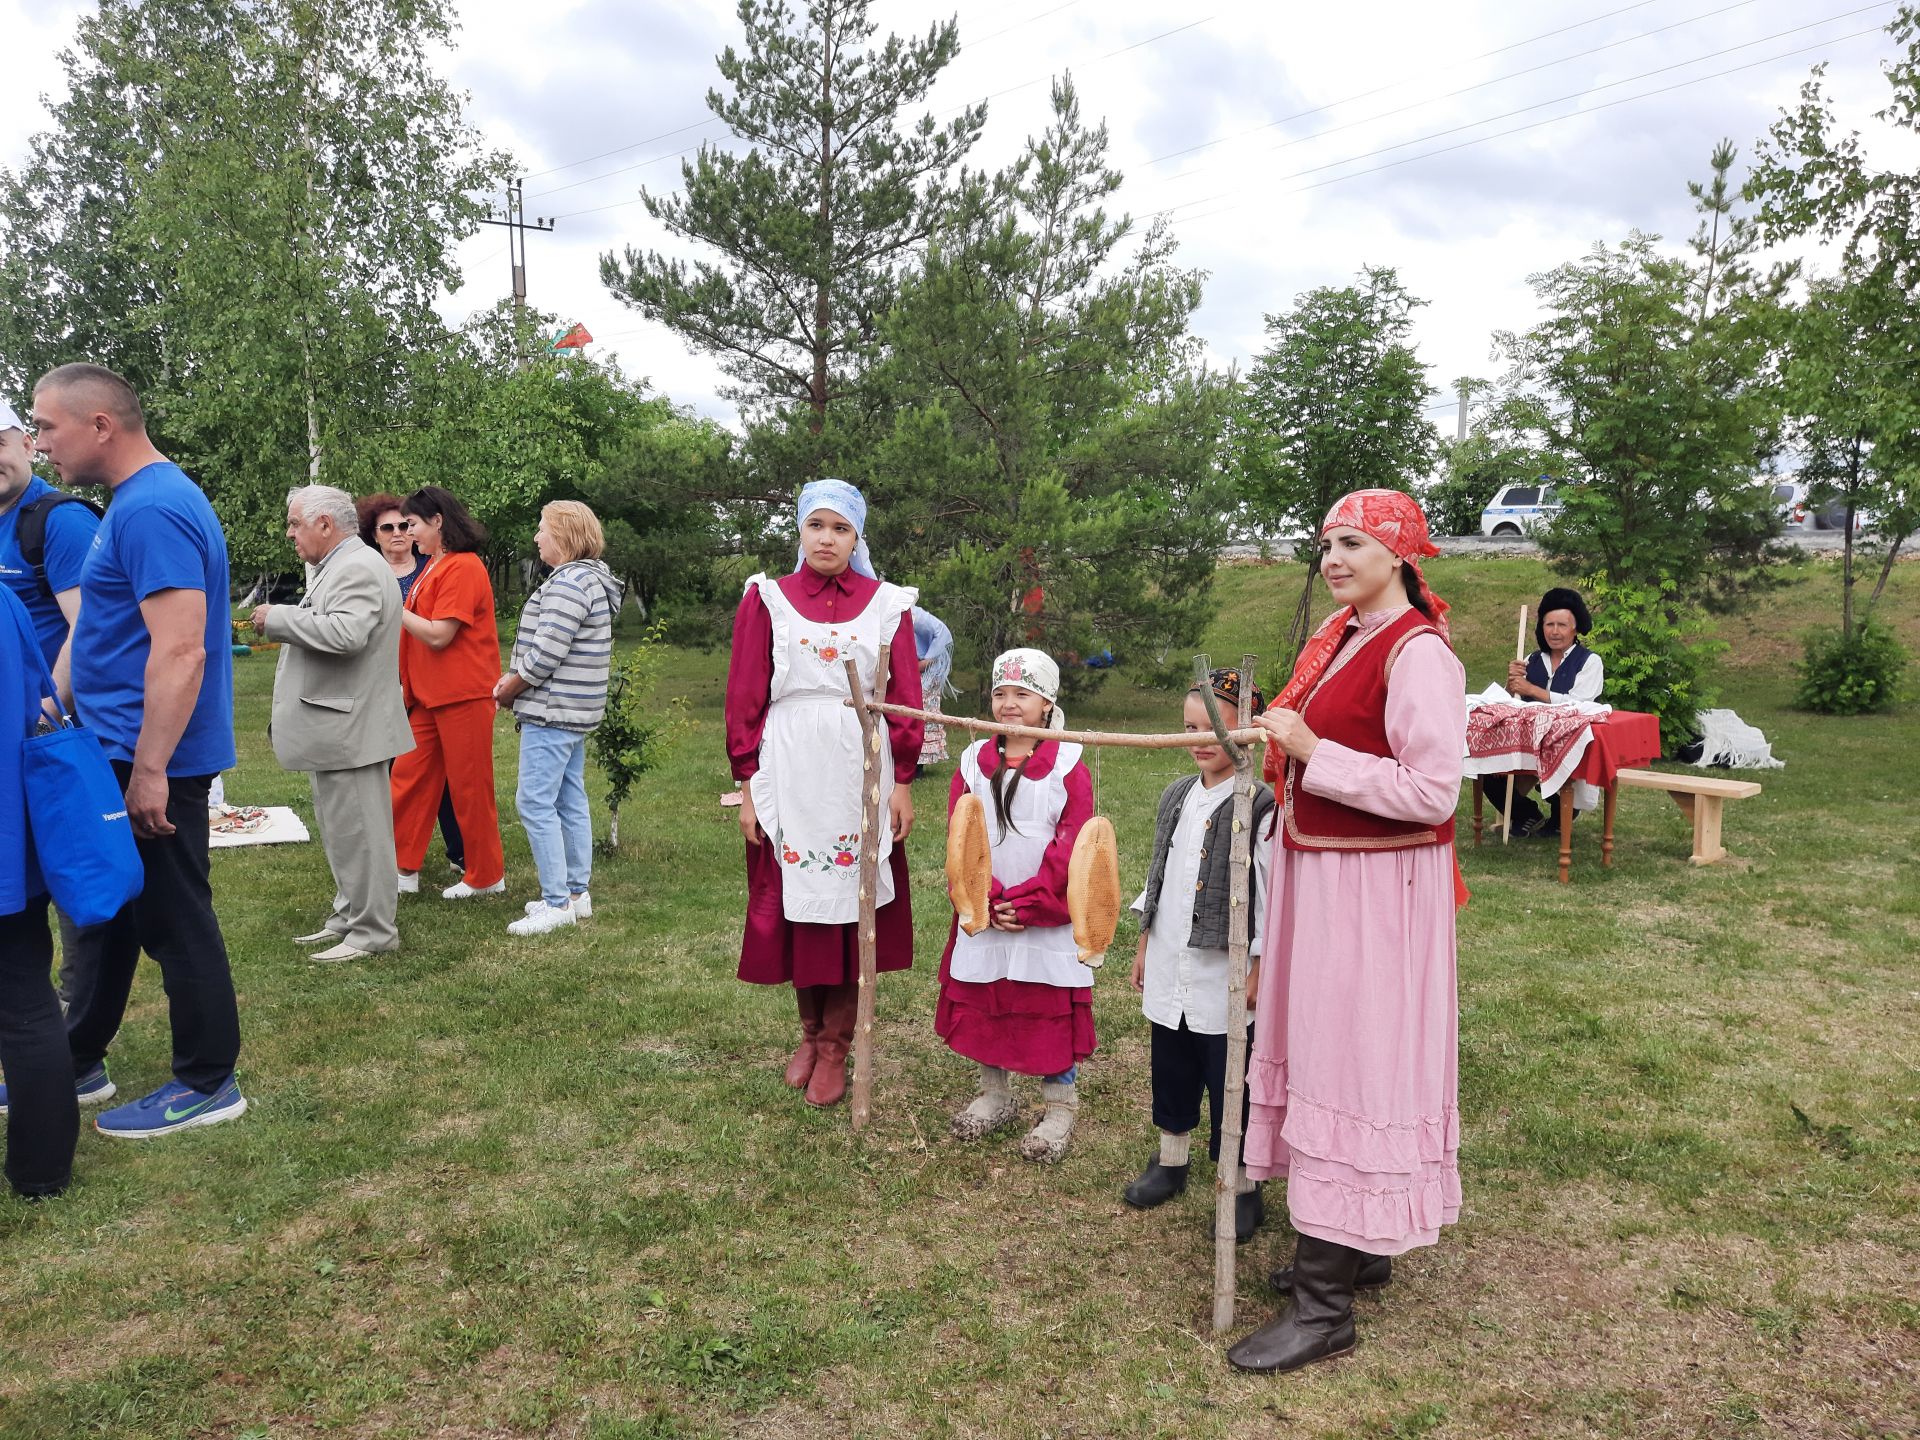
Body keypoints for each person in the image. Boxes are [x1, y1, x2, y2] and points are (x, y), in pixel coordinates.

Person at [1228, 488, 1466, 1376]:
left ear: (1399, 555)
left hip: (1375, 890)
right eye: (1326, 543)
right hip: (1326, 874)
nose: (1332, 557)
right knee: (1327, 1047)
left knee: (1350, 1057)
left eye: (1353, 543)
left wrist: (1312, 751)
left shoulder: (1418, 653)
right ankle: (1355, 1248)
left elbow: (1432, 791)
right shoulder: (1347, 640)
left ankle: (1325, 1310)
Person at [31, 363, 246, 1138]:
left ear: (99, 426)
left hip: (150, 756)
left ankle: (207, 1081)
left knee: (174, 918)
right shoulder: (136, 504)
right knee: (108, 915)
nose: (37, 442)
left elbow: (181, 651)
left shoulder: (153, 508)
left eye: (47, 426)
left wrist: (151, 768)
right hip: (118, 747)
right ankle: (75, 1057)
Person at [725, 479, 922, 1108]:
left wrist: (905, 782)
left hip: (860, 768)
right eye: (817, 526)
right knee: (798, 906)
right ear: (800, 532)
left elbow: (907, 700)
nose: (826, 538)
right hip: (788, 767)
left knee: (850, 908)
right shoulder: (767, 599)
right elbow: (745, 695)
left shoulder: (888, 604)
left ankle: (837, 1042)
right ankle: (808, 1032)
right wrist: (749, 787)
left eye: (840, 528)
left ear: (856, 537)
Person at [1123, 668, 1276, 1242]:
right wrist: (1144, 940)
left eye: (1215, 726)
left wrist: (1260, 964)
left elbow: (1270, 894)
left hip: (1225, 971)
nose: (1200, 738)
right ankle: (1171, 1159)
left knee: (1230, 1076)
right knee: (1173, 1065)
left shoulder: (1258, 808)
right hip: (1171, 959)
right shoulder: (1177, 796)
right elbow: (1159, 872)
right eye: (1190, 727)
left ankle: (1241, 1184)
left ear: (1250, 730)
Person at [935, 648, 1096, 1163]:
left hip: (1042, 917)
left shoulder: (1067, 765)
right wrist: (982, 899)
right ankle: (995, 1093)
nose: (1008, 705)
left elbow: (1072, 850)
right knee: (989, 1000)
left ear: (1046, 704)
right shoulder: (973, 761)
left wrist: (1028, 907)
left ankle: (1059, 1105)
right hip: (986, 910)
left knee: (1045, 1008)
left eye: (1022, 695)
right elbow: (961, 836)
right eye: (1001, 693)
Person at [251, 485, 413, 962]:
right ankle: (350, 915)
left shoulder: (358, 565)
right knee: (345, 832)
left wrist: (278, 618)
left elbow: (347, 633)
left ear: (325, 524)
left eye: (295, 523)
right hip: (339, 726)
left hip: (351, 727)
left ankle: (372, 932)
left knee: (362, 835)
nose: (290, 533)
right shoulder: (344, 564)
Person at [0, 397, 102, 1007]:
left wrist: (47, 710)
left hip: (45, 734)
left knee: (66, 873)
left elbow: (87, 628)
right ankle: (33, 1015)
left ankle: (77, 1036)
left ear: (25, 445)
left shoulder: (55, 522)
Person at [494, 501, 623, 937]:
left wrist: (511, 686)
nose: (536, 537)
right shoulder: (591, 579)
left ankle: (556, 902)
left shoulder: (569, 583)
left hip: (552, 711)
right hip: (573, 711)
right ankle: (575, 894)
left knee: (534, 802)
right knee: (569, 800)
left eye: (542, 529)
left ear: (564, 535)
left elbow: (547, 651)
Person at [0, 586, 81, 1196]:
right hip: (12, 840)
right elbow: (40, 700)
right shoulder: (4, 601)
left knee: (25, 1005)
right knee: (26, 1002)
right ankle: (41, 1169)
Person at [389, 485, 506, 900]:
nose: (408, 532)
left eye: (413, 523)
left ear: (438, 521)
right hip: (427, 696)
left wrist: (393, 608)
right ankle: (402, 869)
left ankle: (486, 875)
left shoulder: (463, 566)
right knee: (407, 778)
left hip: (461, 695)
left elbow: (440, 635)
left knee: (469, 787)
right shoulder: (434, 565)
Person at [358, 491, 463, 876]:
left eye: (405, 525)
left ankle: (460, 851)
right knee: (388, 772)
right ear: (375, 534)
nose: (399, 533)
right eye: (388, 527)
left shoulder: (432, 569)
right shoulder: (366, 575)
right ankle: (389, 856)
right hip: (379, 682)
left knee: (440, 771)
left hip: (427, 684)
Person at [1482, 586, 1604, 838]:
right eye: (1549, 624)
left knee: (1565, 770)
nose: (1555, 632)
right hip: (1528, 740)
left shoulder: (1590, 662)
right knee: (1487, 769)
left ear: (1576, 628)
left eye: (1562, 625)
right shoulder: (1531, 659)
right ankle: (1526, 813)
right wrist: (1512, 683)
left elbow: (1579, 704)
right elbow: (1511, 702)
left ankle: (1560, 819)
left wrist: (1532, 689)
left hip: (1568, 741)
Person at [910, 605, 957, 768]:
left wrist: (927, 661)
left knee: (922, 712)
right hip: (915, 667)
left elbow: (942, 633)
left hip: (929, 668)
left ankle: (919, 764)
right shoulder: (896, 614)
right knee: (910, 712)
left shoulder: (914, 615)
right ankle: (910, 760)